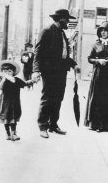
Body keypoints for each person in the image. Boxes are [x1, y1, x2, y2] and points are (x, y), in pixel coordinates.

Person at [32, 9, 77, 138]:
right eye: (66, 19)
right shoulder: (47, 31)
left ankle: (53, 125)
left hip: (61, 72)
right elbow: (38, 52)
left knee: (58, 98)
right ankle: (42, 126)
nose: (68, 22)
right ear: (60, 19)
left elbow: (63, 55)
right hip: (49, 72)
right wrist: (35, 70)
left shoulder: (62, 33)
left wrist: (74, 64)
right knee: (47, 98)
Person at [0, 60, 33, 141]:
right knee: (6, 118)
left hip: (14, 102)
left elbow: (24, 83)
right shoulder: (3, 80)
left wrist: (32, 81)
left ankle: (13, 133)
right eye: (5, 71)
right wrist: (3, 79)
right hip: (5, 102)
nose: (7, 73)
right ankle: (7, 133)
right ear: (2, 72)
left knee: (13, 117)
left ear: (13, 72)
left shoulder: (16, 80)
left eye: (9, 71)